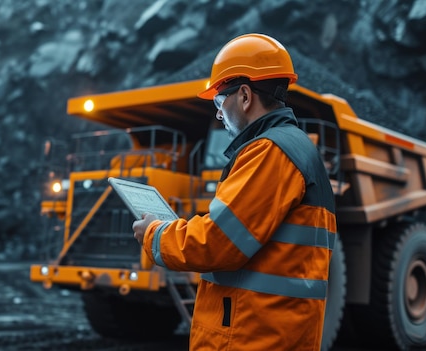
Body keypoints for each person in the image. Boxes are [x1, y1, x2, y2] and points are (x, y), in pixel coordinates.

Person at [132, 33, 336, 351]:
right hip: (271, 331)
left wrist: (155, 235)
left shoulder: (271, 151)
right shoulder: (292, 146)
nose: (218, 114)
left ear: (244, 96)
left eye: (218, 102)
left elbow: (217, 242)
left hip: (253, 335)